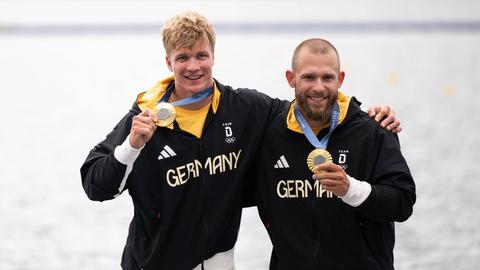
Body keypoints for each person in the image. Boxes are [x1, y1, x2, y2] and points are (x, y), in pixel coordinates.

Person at [80, 12, 402, 270]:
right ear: (169, 62)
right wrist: (131, 147)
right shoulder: (146, 116)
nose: (193, 66)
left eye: (201, 55)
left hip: (221, 260)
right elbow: (97, 186)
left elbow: (309, 106)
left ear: (213, 57)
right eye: (183, 58)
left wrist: (369, 116)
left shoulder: (244, 108)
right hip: (153, 262)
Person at [251, 38, 416, 270]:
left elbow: (403, 202)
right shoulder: (269, 134)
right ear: (291, 78)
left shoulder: (373, 130)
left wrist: (350, 189)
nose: (318, 87)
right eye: (309, 77)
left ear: (340, 79)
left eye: (327, 77)